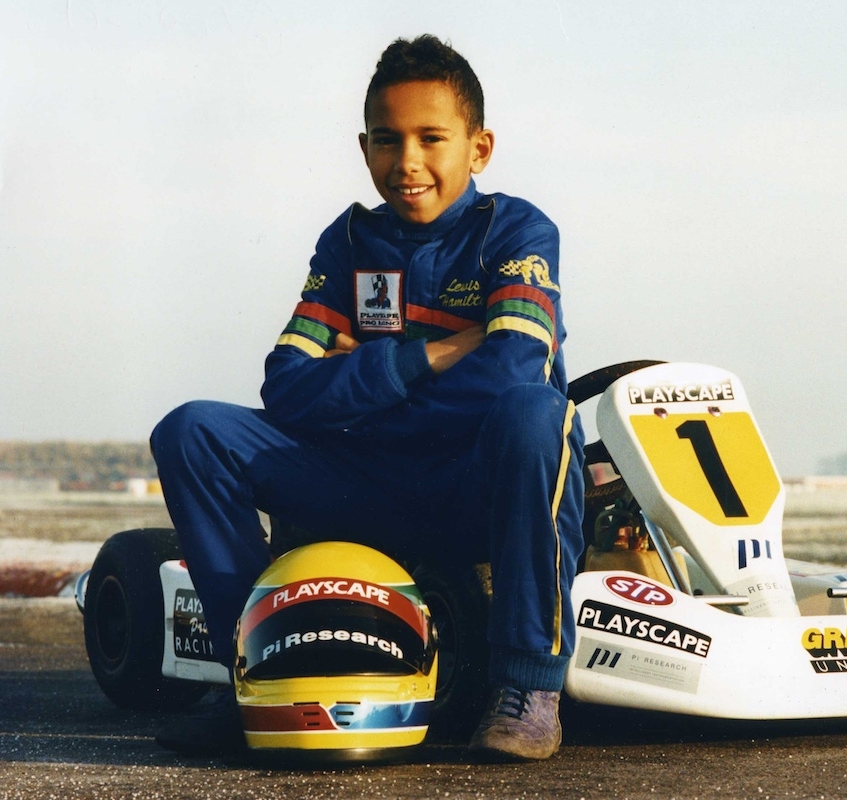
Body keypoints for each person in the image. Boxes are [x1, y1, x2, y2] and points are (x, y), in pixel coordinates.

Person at [150, 34, 584, 762]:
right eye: (387, 140)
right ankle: (250, 673)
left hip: (477, 489)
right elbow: (285, 385)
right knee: (191, 431)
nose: (406, 161)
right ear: (364, 147)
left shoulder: (516, 232)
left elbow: (512, 375)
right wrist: (433, 354)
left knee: (535, 415)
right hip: (367, 483)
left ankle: (527, 687)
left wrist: (356, 382)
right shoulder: (348, 242)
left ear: (479, 149)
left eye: (430, 138)